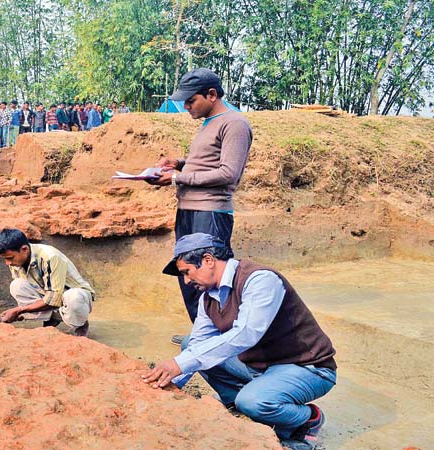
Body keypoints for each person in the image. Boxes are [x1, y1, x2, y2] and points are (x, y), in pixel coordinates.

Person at [142, 233, 336, 449]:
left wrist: (178, 364)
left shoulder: (260, 280)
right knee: (190, 346)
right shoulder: (209, 297)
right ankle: (238, 404)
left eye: (187, 272)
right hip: (259, 365)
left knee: (253, 402)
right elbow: (198, 344)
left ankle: (307, 419)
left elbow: (246, 333)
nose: (186, 281)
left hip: (305, 367)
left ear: (208, 260)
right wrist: (168, 383)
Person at [147, 68, 252, 339]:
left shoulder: (235, 124)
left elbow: (229, 173)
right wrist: (178, 163)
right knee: (190, 274)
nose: (186, 107)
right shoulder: (209, 123)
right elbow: (206, 162)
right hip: (189, 210)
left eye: (191, 100)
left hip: (211, 212)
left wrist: (178, 177)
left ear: (212, 95)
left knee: (210, 276)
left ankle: (223, 339)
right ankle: (201, 334)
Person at [0, 228, 93, 337]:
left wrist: (19, 311)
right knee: (16, 285)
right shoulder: (16, 261)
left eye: (10, 258)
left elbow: (54, 299)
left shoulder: (50, 257)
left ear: (24, 249)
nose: (7, 263)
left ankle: (80, 324)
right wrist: (21, 314)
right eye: (5, 259)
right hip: (48, 296)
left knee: (73, 297)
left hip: (73, 297)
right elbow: (37, 292)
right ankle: (51, 318)